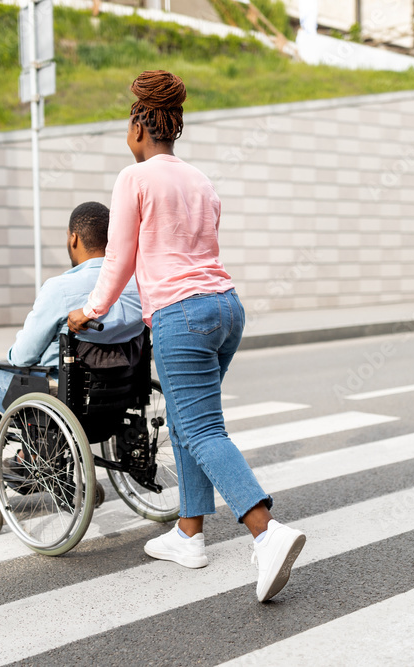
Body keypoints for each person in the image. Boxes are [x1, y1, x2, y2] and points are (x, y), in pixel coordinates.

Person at [68, 70, 306, 603]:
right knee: (186, 420)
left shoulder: (134, 180)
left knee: (199, 430)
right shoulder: (200, 179)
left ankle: (267, 532)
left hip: (181, 316)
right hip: (226, 308)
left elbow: (119, 259)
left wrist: (90, 310)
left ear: (138, 127)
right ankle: (189, 535)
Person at [0, 201, 144, 486]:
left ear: (74, 238)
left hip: (62, 399)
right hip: (117, 400)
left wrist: (11, 355)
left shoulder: (61, 289)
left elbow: (22, 356)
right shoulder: (137, 283)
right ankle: (28, 456)